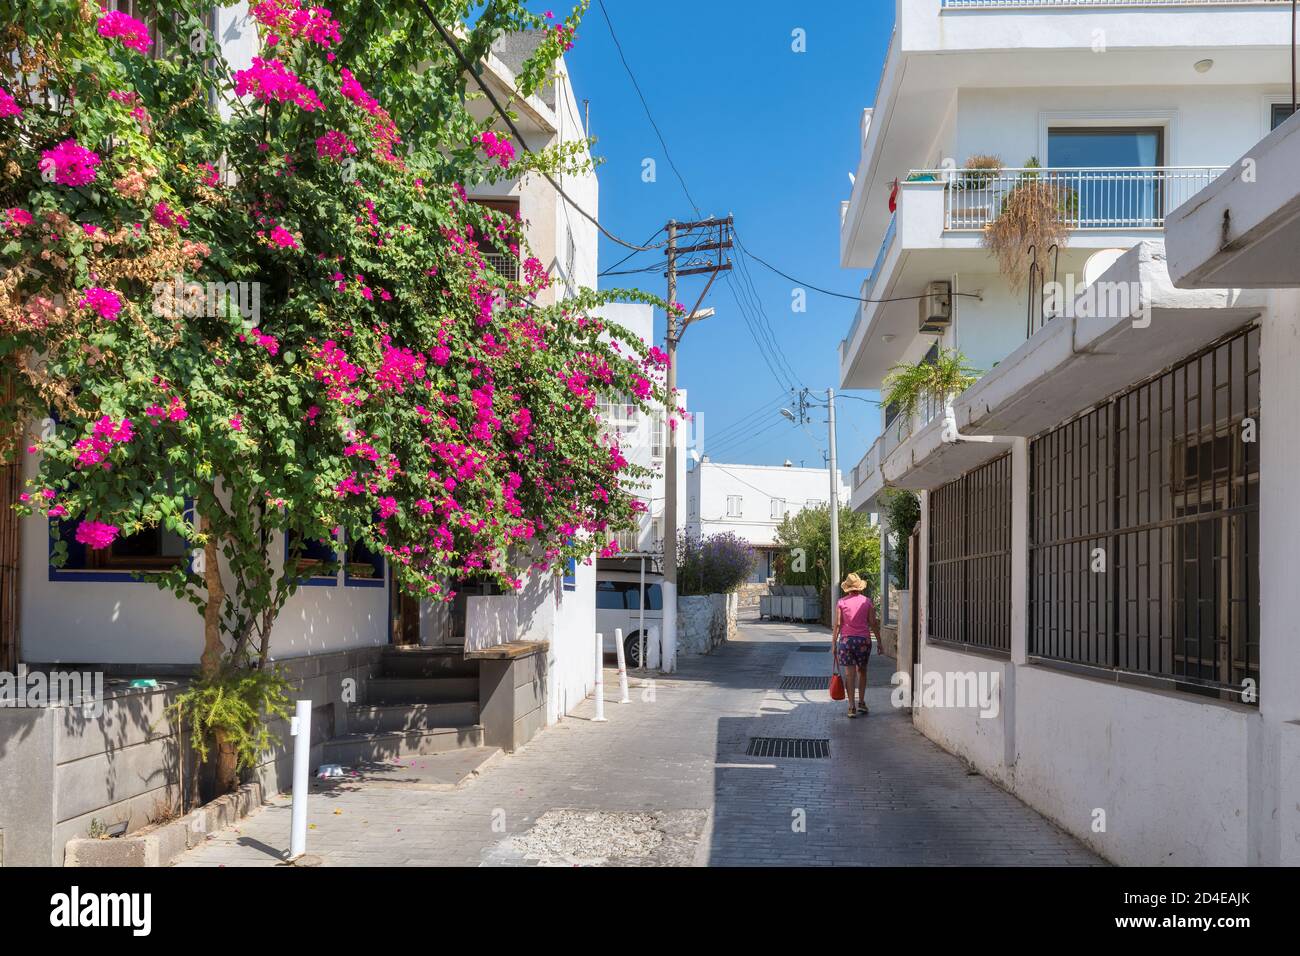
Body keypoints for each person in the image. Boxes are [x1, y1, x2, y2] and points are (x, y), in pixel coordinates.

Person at [832, 573, 878, 718]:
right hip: (863, 641)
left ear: (847, 588)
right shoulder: (867, 602)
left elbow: (838, 624)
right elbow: (873, 623)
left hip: (846, 642)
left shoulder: (841, 602)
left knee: (849, 674)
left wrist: (834, 643)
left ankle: (851, 706)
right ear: (860, 587)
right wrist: (880, 642)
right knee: (862, 671)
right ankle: (862, 702)